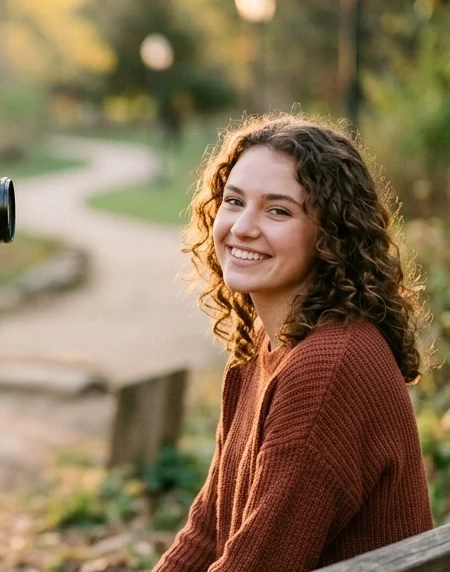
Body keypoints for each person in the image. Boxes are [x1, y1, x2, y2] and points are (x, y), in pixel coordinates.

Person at [154, 114, 433, 572]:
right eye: (234, 201)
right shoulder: (259, 351)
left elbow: (258, 563)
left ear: (330, 233)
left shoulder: (330, 367)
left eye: (278, 210)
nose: (243, 227)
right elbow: (206, 533)